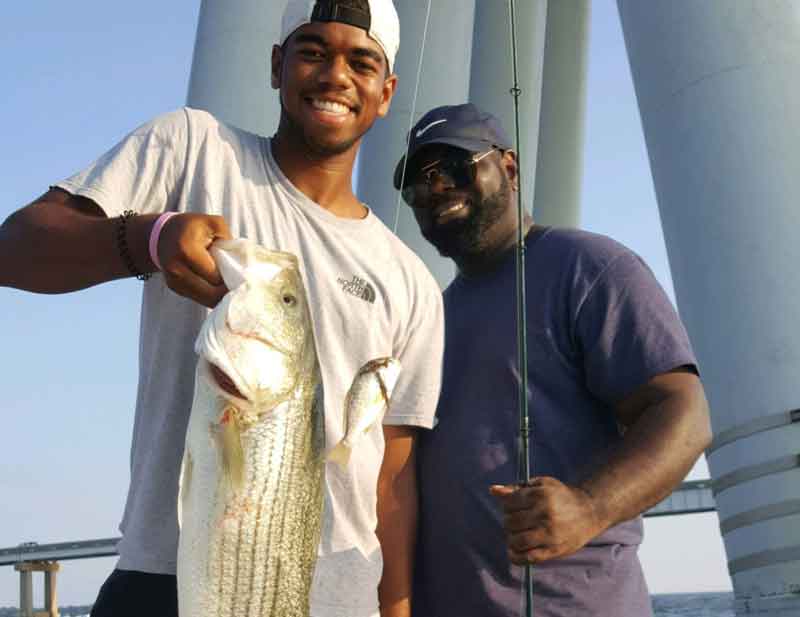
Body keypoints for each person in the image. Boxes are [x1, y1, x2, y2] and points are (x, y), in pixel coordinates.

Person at [0, 2, 444, 617]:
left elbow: (392, 475)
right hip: (168, 578)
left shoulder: (410, 281)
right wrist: (149, 239)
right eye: (312, 50)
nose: (336, 75)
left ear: (386, 90)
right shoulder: (192, 148)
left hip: (339, 596)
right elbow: (16, 250)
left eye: (361, 62)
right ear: (275, 65)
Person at [393, 103, 711, 617]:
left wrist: (589, 507)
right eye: (417, 183)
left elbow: (684, 414)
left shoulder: (589, 268)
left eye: (453, 166)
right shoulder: (427, 317)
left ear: (509, 168)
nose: (435, 189)